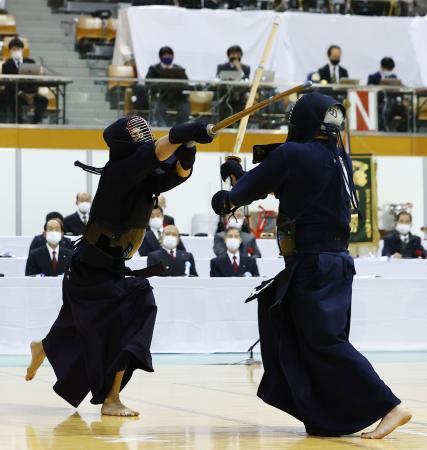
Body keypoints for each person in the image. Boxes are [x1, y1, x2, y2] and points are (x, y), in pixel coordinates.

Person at [212, 92, 411, 438]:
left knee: (323, 342)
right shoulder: (338, 157)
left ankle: (390, 405)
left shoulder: (291, 154)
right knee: (296, 331)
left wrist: (231, 185)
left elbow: (235, 198)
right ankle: (325, 416)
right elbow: (288, 184)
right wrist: (241, 174)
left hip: (312, 264)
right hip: (333, 263)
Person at [24, 115, 214, 416]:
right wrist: (182, 132)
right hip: (87, 267)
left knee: (87, 324)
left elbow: (178, 173)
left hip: (111, 265)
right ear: (126, 146)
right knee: (126, 315)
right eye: (140, 138)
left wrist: (188, 145)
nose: (147, 142)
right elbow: (153, 153)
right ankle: (110, 398)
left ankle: (44, 348)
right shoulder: (119, 172)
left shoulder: (144, 176)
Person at [1, 37, 48, 124]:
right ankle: (19, 122)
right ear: (10, 51)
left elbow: (35, 80)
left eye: (18, 49)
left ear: (22, 50)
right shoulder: (6, 65)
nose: (16, 51)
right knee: (14, 99)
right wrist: (21, 93)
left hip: (31, 93)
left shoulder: (31, 62)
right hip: (16, 94)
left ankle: (36, 121)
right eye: (14, 49)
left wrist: (32, 94)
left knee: (43, 100)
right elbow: (8, 84)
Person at [145, 46, 190, 126]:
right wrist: (159, 85)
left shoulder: (178, 68)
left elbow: (186, 83)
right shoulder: (154, 69)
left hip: (177, 97)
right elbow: (148, 82)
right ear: (160, 56)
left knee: (185, 107)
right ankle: (162, 128)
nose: (168, 57)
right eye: (165, 55)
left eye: (170, 55)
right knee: (157, 107)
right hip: (161, 97)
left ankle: (181, 128)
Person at [216, 45, 251, 121]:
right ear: (228, 55)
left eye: (237, 54)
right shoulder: (221, 67)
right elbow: (218, 79)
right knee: (224, 118)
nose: (235, 56)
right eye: (233, 54)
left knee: (239, 116)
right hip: (225, 96)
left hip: (240, 97)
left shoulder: (246, 68)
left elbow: (246, 80)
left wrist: (239, 69)